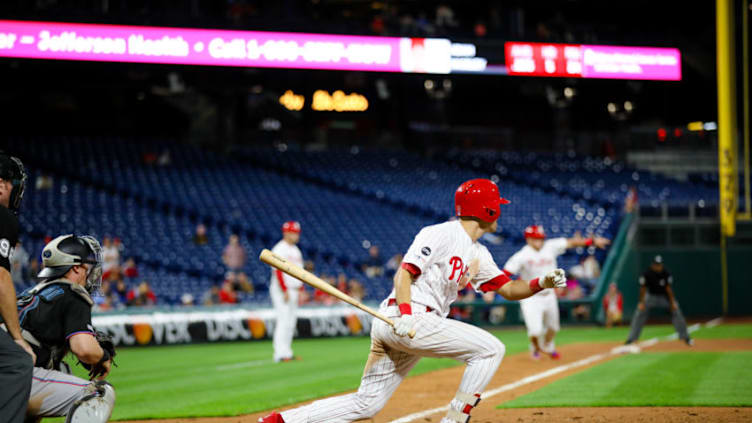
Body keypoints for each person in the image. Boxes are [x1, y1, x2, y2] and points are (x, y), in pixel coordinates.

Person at [258, 179, 566, 423]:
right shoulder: (441, 233)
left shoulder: (478, 253)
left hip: (409, 324)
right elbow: (403, 275)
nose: (499, 210)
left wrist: (543, 282)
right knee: (491, 349)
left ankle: (279, 420)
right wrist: (405, 315)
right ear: (486, 210)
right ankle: (455, 420)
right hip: (407, 318)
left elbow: (510, 290)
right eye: (496, 205)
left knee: (366, 404)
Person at [18, 234, 116, 421]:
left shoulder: (30, 294)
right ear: (76, 268)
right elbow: (84, 349)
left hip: (10, 375)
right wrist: (102, 356)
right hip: (12, 376)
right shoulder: (72, 292)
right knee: (98, 394)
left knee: (60, 371)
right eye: (87, 267)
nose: (90, 273)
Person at [503, 225, 610, 360]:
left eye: (540, 238)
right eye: (535, 238)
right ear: (528, 239)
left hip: (549, 295)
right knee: (535, 330)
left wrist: (591, 242)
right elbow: (506, 272)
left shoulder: (550, 246)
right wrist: (493, 289)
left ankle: (547, 346)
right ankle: (535, 348)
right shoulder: (522, 255)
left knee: (553, 328)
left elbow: (571, 242)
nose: (539, 241)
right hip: (530, 297)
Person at [0, 153, 34, 423]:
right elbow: (0, 277)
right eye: (12, 183)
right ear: (1, 185)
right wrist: (18, 337)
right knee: (18, 363)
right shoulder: (3, 218)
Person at [625, 256, 693, 345]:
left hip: (664, 297)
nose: (658, 266)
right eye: (656, 265)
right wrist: (641, 302)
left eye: (660, 264)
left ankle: (685, 337)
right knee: (639, 313)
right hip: (651, 297)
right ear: (653, 265)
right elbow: (643, 289)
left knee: (676, 312)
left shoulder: (666, 273)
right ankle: (631, 338)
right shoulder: (647, 273)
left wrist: (673, 303)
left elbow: (669, 289)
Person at [268, 221, 304, 362]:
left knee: (291, 322)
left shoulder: (296, 250)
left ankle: (287, 352)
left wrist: (301, 289)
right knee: (283, 320)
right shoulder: (279, 248)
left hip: (294, 288)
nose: (296, 235)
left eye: (296, 233)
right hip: (281, 289)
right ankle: (279, 353)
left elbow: (300, 272)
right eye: (293, 232)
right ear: (286, 233)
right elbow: (277, 270)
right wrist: (284, 289)